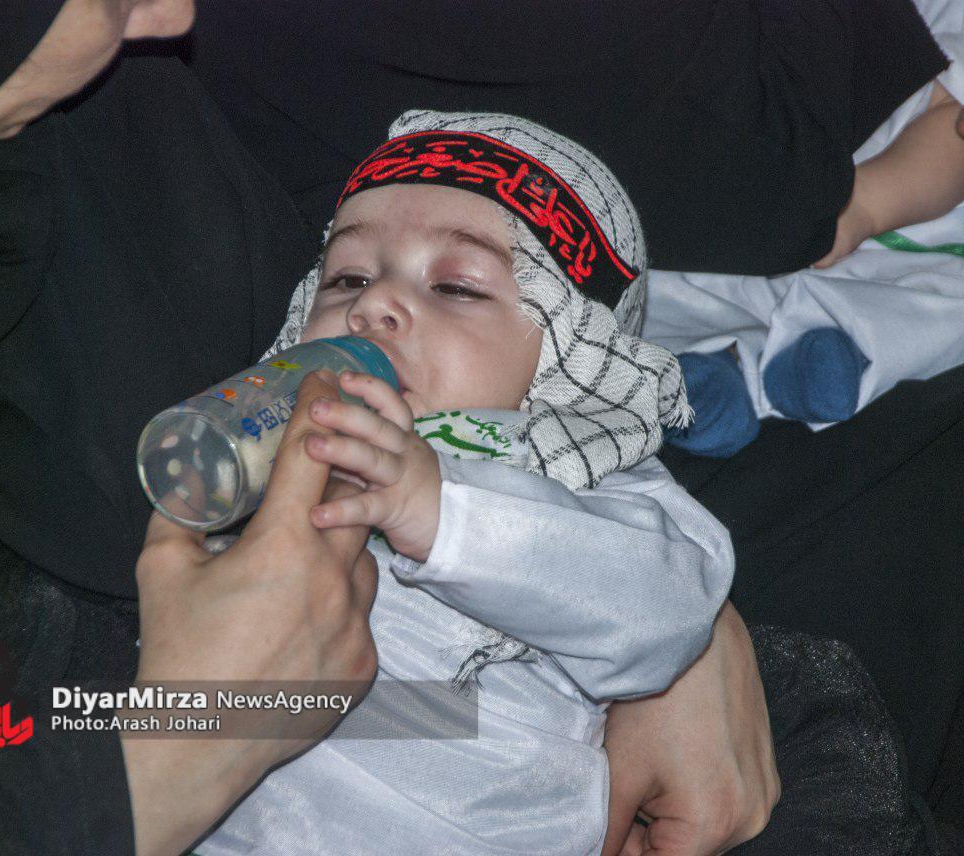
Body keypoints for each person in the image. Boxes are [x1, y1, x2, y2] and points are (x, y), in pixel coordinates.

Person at [0, 0, 964, 853]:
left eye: (451, 285)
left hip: (464, 740)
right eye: (347, 278)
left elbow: (634, 583)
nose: (171, 13)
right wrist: (173, 730)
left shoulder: (132, 130)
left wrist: (648, 627)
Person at [193, 110, 731, 854]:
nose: (371, 304)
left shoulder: (591, 481)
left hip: (460, 779)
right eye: (347, 277)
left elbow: (667, 614)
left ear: (567, 359)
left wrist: (443, 512)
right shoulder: (273, 449)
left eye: (455, 287)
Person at [652, 0, 964, 458]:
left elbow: (962, 134)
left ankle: (833, 362)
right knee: (661, 286)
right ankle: (712, 372)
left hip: (897, 239)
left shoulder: (907, 31)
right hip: (735, 233)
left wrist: (863, 206)